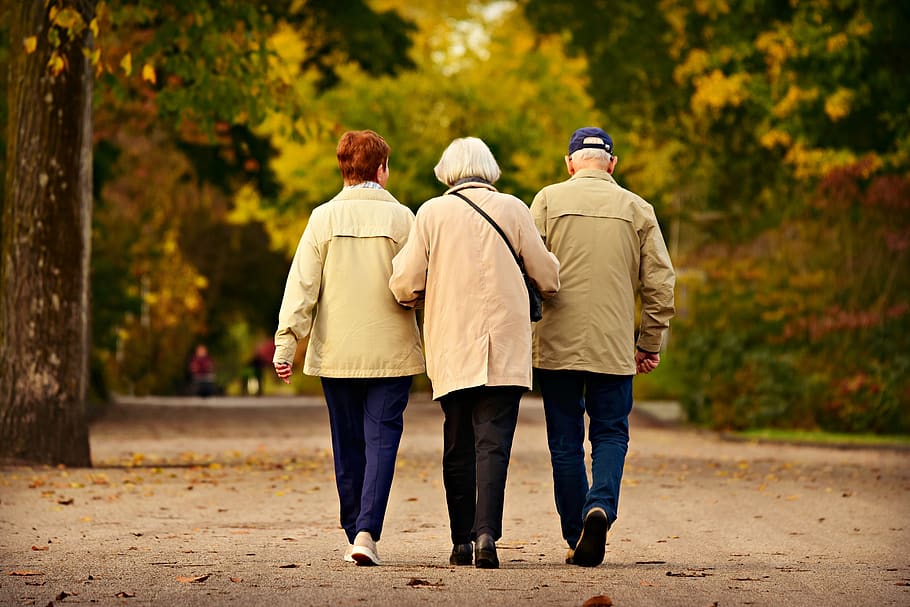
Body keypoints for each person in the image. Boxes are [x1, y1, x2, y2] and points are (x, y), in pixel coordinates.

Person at [389, 137, 560, 569]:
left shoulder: (431, 213)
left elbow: (405, 281)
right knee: (493, 444)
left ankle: (460, 540)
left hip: (453, 345)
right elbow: (548, 277)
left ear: (447, 171)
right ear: (490, 168)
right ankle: (487, 534)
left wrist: (421, 295)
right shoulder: (514, 209)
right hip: (504, 345)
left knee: (458, 442)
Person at [272, 130, 425, 566]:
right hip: (391, 351)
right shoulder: (403, 219)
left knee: (347, 443)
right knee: (382, 441)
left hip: (336, 352)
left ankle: (352, 524)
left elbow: (302, 286)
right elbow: (417, 284)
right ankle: (365, 531)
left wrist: (287, 343)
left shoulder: (322, 219)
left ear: (343, 169)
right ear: (381, 169)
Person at [530, 127, 676, 567]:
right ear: (612, 163)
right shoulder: (637, 208)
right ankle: (601, 507)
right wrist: (648, 341)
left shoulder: (547, 202)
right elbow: (660, 283)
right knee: (610, 433)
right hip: (614, 347)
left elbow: (527, 270)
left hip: (556, 346)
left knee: (565, 441)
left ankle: (577, 532)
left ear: (570, 162)